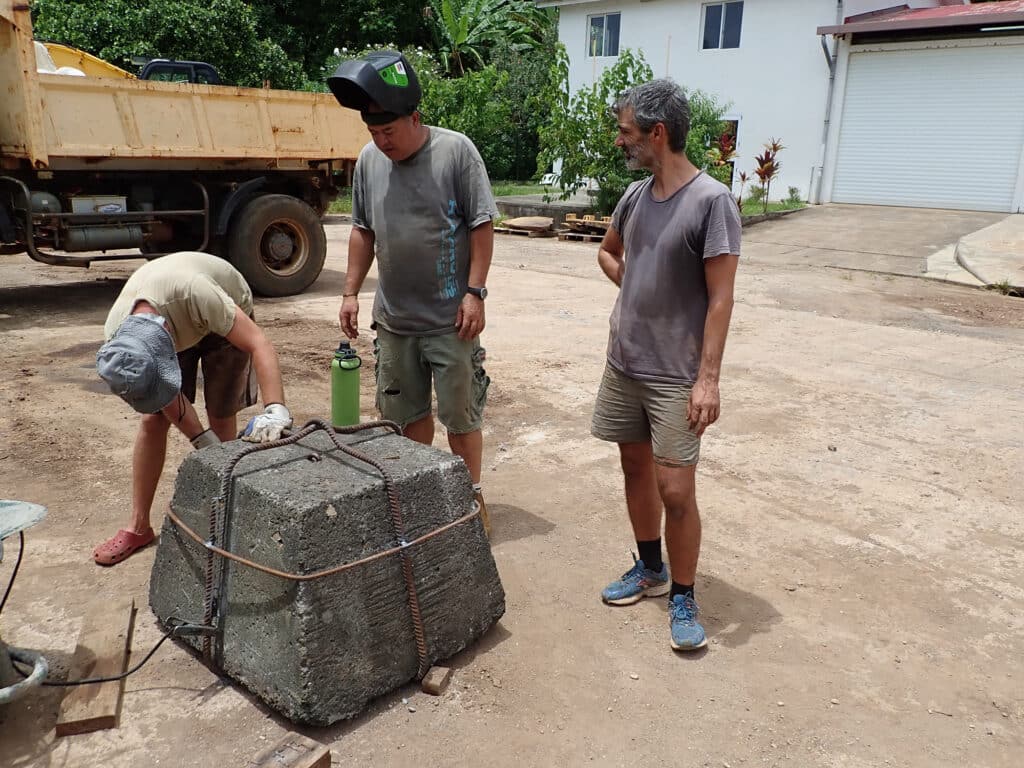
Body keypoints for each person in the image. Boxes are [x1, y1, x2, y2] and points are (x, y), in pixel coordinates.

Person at [592, 79, 741, 651]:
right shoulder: (633, 198)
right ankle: (650, 567)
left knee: (675, 490)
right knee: (634, 470)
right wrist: (634, 286)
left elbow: (722, 298)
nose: (619, 140)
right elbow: (607, 250)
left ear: (658, 133)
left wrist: (708, 379)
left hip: (677, 374)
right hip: (624, 362)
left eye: (626, 131)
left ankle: (683, 592)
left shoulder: (712, 202)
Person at [327, 52, 497, 533]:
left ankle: (470, 501)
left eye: (390, 133)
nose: (382, 143)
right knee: (406, 419)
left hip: (451, 320)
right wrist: (350, 292)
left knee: (461, 419)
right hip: (396, 321)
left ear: (415, 118)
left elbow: (482, 225)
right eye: (373, 134)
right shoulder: (368, 161)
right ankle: (419, 504)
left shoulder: (455, 152)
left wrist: (475, 292)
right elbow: (362, 230)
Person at [93, 251, 293, 565]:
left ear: (167, 341)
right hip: (172, 320)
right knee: (153, 421)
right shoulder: (119, 339)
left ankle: (227, 520)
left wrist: (276, 409)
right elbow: (164, 395)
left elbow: (258, 343)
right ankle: (138, 526)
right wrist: (200, 439)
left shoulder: (197, 293)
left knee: (221, 415)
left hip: (223, 306)